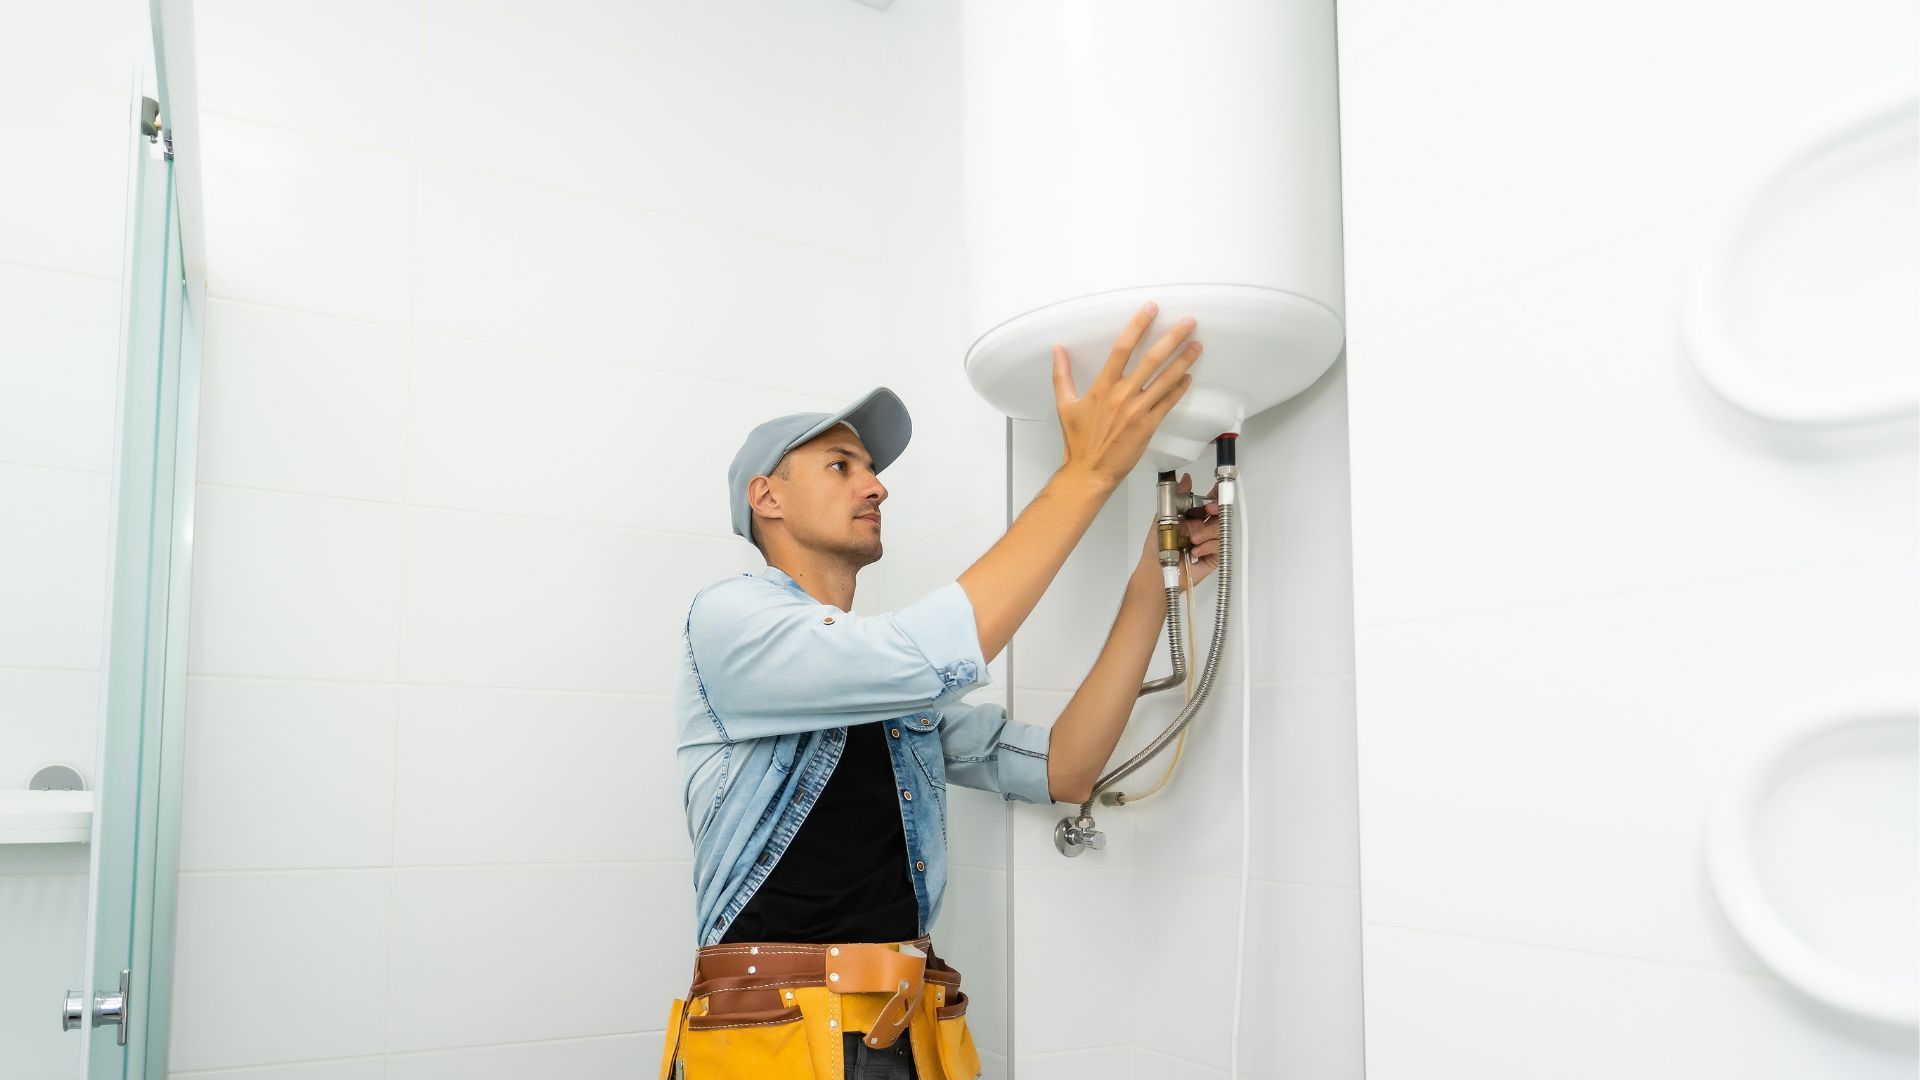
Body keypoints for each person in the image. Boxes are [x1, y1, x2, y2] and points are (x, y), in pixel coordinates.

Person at [663, 302, 1221, 1079]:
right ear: (768, 498)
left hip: (905, 1032)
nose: (876, 487)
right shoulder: (729, 621)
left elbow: (1065, 768)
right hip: (776, 1037)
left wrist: (1146, 594)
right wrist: (1089, 472)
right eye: (842, 465)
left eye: (874, 470)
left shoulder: (890, 696)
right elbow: (924, 654)